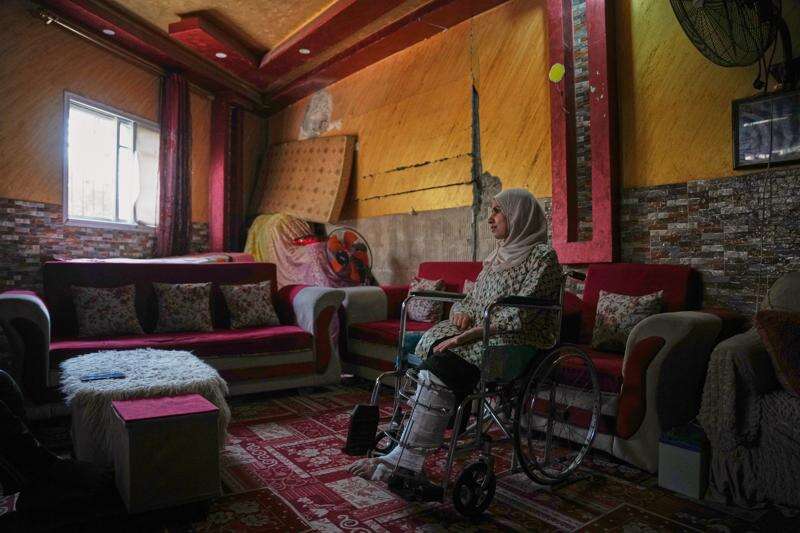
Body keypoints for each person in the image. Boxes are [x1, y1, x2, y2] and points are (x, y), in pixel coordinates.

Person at [348, 188, 563, 497]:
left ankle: (405, 460)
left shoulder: (543, 257)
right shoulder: (496, 258)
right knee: (429, 352)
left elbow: (522, 313)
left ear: (518, 216)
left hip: (516, 340)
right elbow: (471, 300)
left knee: (444, 363)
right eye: (490, 211)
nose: (490, 218)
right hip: (479, 333)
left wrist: (469, 334)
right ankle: (408, 450)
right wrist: (461, 313)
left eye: (497, 211)